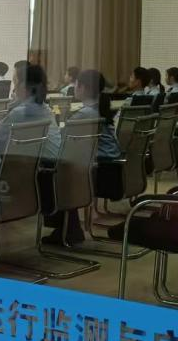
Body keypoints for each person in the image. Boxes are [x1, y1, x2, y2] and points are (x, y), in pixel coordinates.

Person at [42, 68, 120, 245]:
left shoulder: (84, 115)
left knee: (49, 170)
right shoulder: (98, 110)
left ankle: (67, 229)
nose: (74, 88)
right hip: (108, 168)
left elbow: (62, 144)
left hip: (99, 171)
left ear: (83, 87)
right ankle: (70, 227)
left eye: (76, 84)